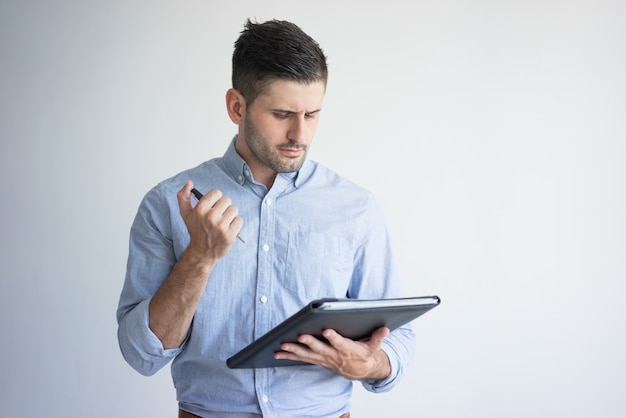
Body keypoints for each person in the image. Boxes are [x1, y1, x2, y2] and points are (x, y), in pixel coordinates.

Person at [117, 19, 416, 418]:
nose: (300, 134)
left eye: (312, 114)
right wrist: (200, 258)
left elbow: (399, 337)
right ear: (236, 106)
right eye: (282, 114)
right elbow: (141, 355)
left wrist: (369, 365)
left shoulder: (355, 207)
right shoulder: (170, 203)